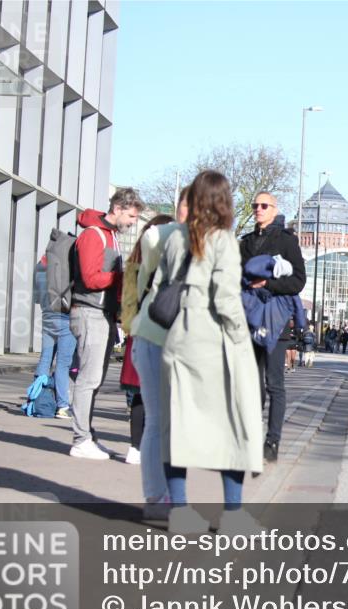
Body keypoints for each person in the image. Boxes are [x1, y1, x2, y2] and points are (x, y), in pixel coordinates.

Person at [159, 170, 264, 532]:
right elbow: (226, 298)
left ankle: (180, 510)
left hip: (179, 338)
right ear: (224, 201)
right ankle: (233, 514)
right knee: (234, 424)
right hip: (214, 340)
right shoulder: (223, 240)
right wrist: (241, 338)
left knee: (179, 426)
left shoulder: (174, 239)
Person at [69, 187, 142, 460]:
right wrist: (121, 278)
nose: (133, 222)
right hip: (89, 313)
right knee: (88, 379)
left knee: (93, 379)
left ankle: (86, 436)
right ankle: (81, 439)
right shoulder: (93, 235)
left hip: (100, 313)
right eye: (132, 216)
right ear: (119, 208)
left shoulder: (107, 235)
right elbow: (89, 279)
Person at [239, 192, 306, 463]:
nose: (258, 209)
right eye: (255, 205)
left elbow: (298, 281)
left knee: (274, 383)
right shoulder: (244, 242)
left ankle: (273, 440)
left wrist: (268, 284)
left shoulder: (287, 241)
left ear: (274, 209)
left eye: (263, 205)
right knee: (252, 384)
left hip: (276, 321)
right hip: (249, 319)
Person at [132, 195, 187, 517]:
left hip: (178, 344)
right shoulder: (165, 235)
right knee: (157, 419)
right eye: (186, 206)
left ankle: (167, 496)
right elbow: (142, 278)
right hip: (154, 336)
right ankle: (157, 497)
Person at [120, 213, 175, 472]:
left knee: (141, 394)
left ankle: (136, 447)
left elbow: (128, 300)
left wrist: (129, 327)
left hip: (139, 329)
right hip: (157, 330)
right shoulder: (164, 261)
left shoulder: (136, 260)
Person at [33, 257, 76, 419]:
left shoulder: (41, 265)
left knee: (45, 358)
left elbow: (37, 296)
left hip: (47, 316)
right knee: (63, 365)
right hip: (66, 318)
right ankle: (62, 406)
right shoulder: (67, 265)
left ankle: (37, 399)